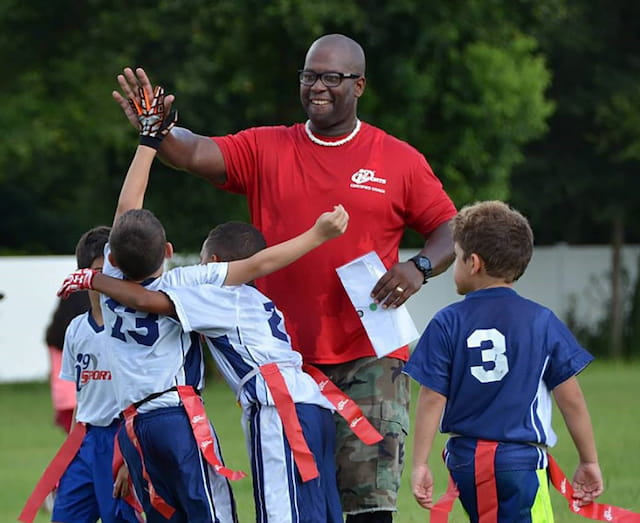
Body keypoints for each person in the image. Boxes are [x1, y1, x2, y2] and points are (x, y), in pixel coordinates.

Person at [112, 33, 457, 523]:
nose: (317, 86)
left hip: (370, 359)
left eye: (331, 77)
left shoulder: (397, 158)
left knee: (369, 506)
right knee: (303, 509)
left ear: (359, 85)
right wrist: (160, 131)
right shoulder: (267, 147)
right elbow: (194, 152)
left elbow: (450, 227)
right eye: (309, 75)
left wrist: (419, 267)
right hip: (287, 369)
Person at [60, 84, 348, 523]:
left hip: (137, 423)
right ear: (170, 250)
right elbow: (258, 264)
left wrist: (147, 142)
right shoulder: (188, 282)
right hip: (181, 417)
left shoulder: (113, 279)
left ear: (112, 257)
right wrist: (319, 234)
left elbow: (126, 206)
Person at [61, 220, 351, 523]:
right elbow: (261, 264)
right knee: (321, 510)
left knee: (281, 514)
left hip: (276, 409)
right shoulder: (259, 299)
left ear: (212, 264)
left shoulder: (215, 296)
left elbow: (146, 299)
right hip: (313, 405)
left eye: (201, 262)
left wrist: (94, 279)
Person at [403, 201, 603, 521]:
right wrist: (589, 460)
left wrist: (421, 464)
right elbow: (572, 398)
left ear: (474, 263)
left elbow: (430, 398)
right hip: (518, 459)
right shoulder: (542, 321)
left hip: (465, 459)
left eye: (455, 257)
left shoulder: (446, 322)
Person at [51, 225, 140, 523]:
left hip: (121, 440)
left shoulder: (133, 327)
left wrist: (132, 457)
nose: (108, 279)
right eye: (100, 271)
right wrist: (68, 455)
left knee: (119, 516)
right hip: (86, 441)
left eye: (115, 271)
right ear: (84, 275)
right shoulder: (76, 329)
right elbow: (81, 395)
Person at [45, 291, 89, 433]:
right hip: (88, 401)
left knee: (76, 448)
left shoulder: (54, 337)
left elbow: (53, 372)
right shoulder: (86, 337)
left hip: (64, 401)